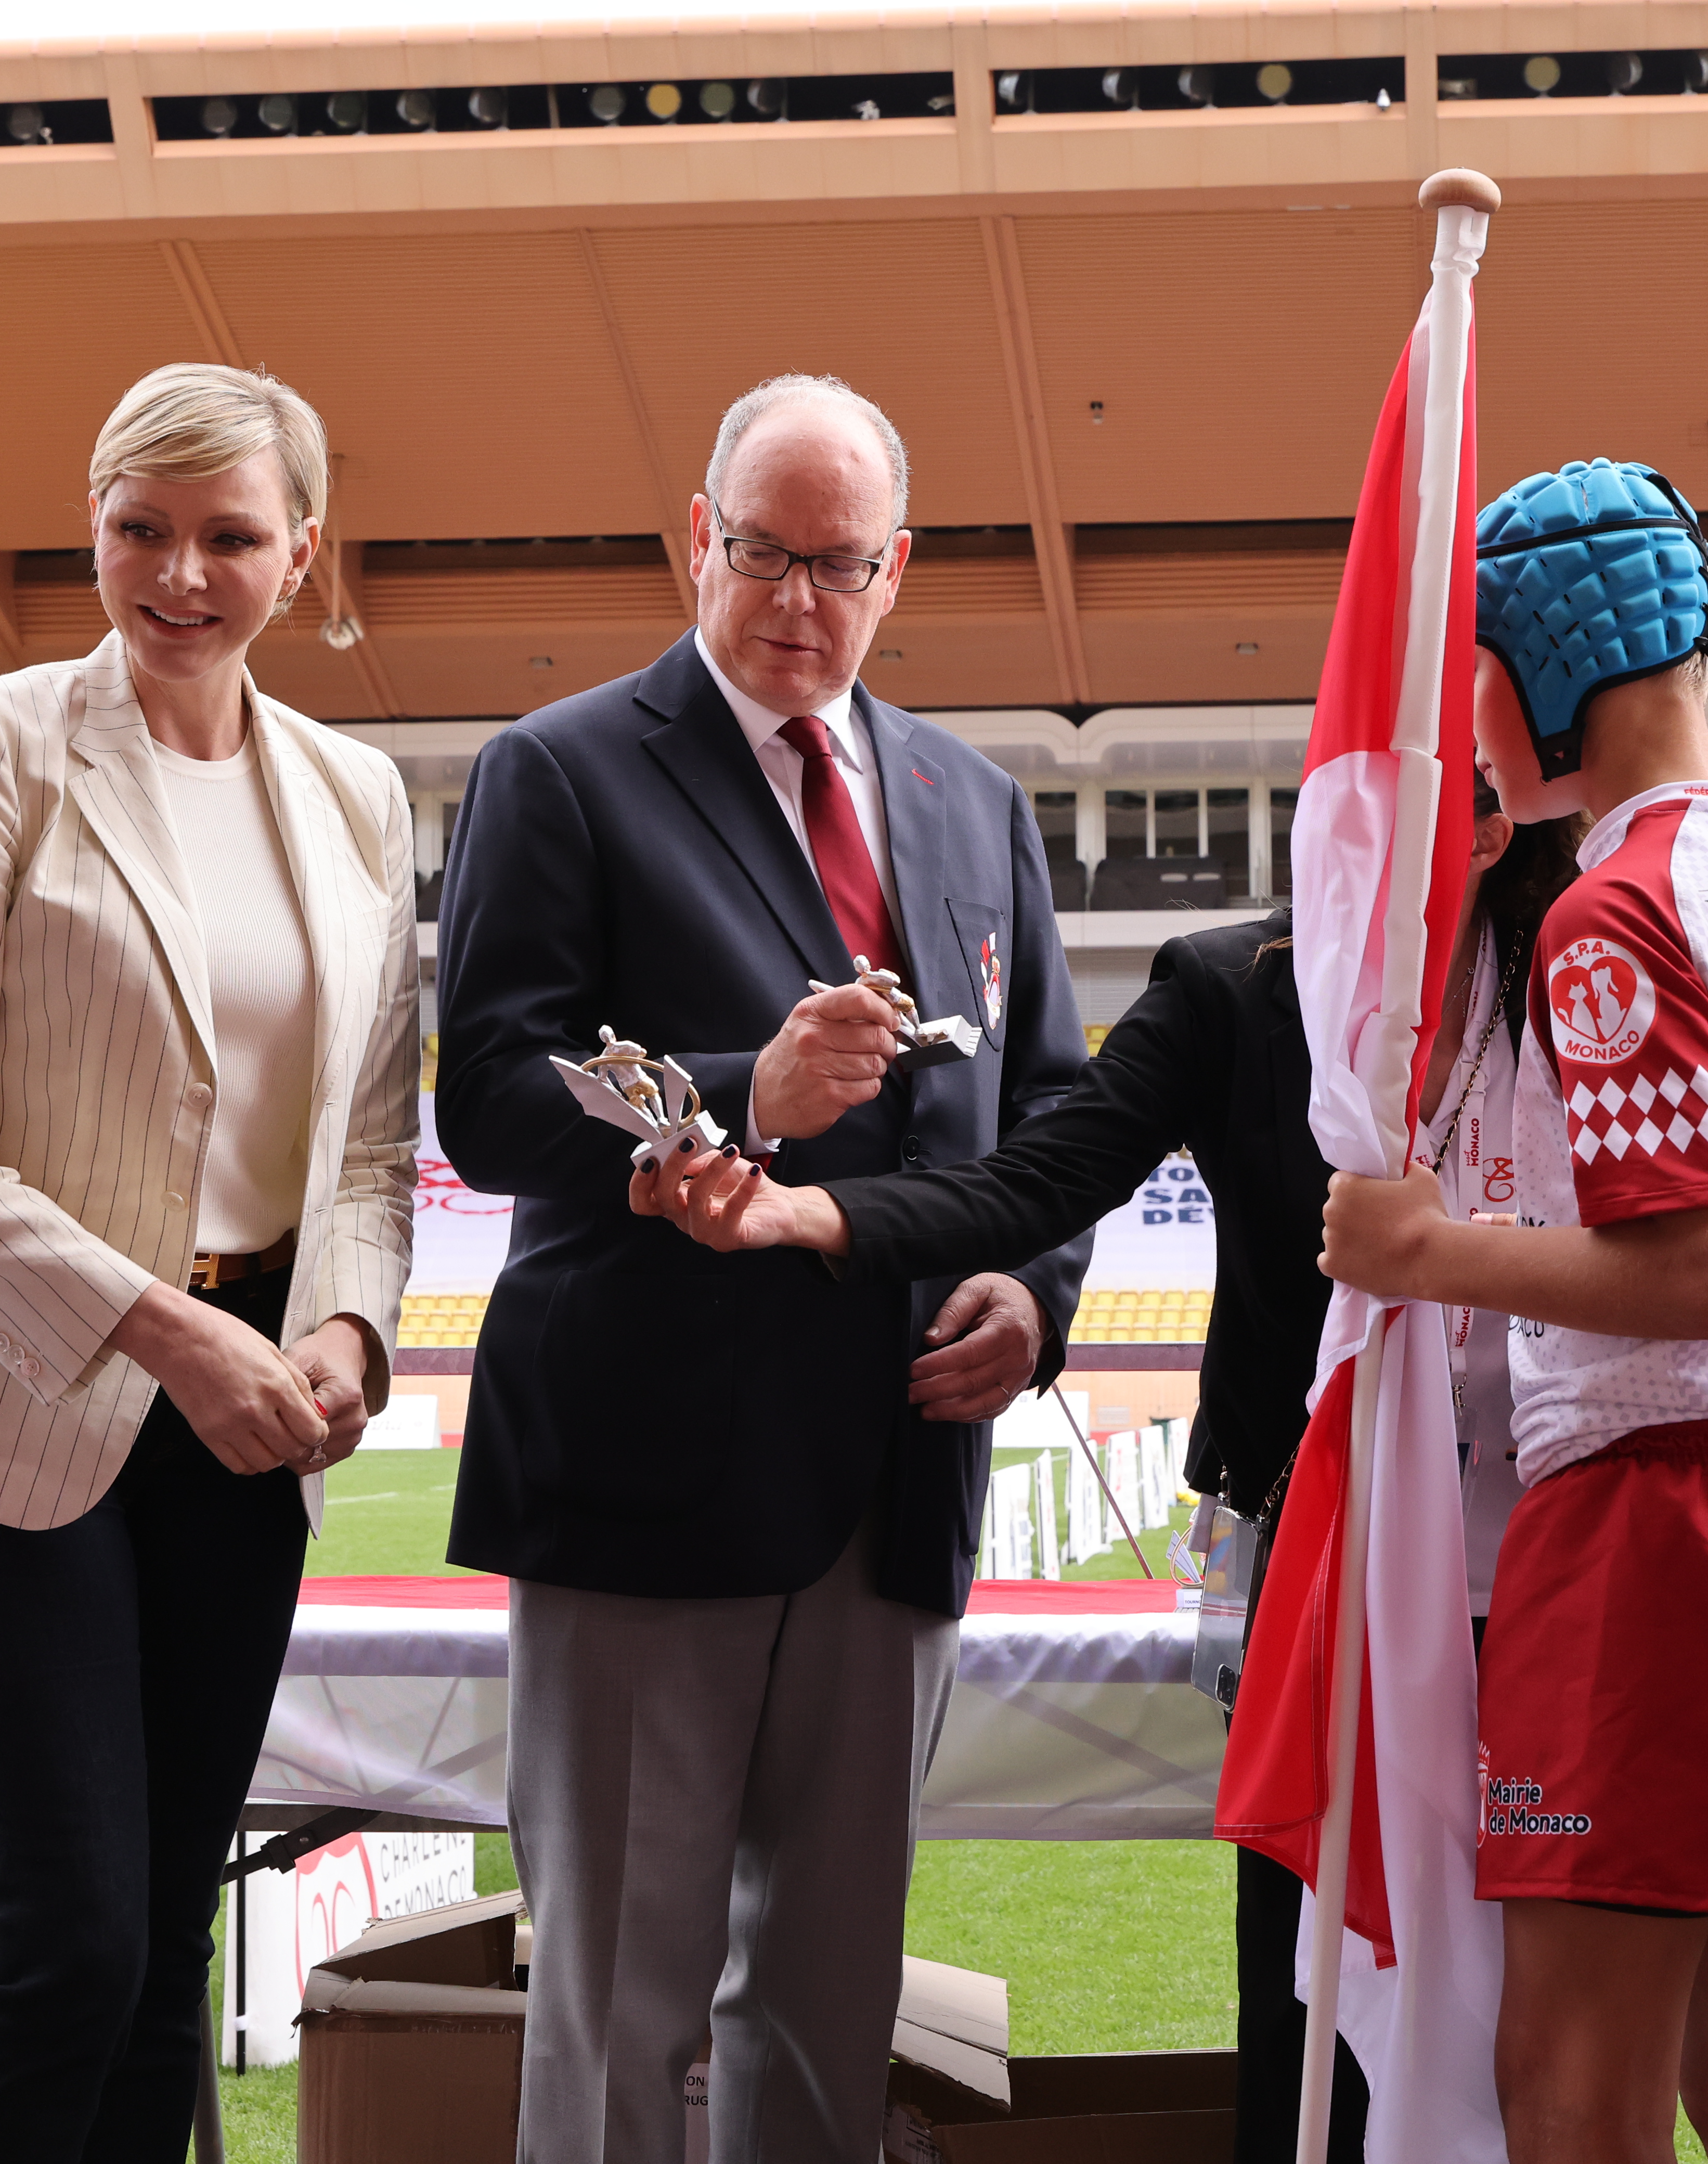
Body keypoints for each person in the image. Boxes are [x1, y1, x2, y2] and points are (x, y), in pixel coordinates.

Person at [633, 771, 1583, 2164]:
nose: (1350, 824)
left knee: (1563, 2010)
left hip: (1570, 1549)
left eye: (1401, 790)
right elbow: (1035, 1180)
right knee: (1315, 1994)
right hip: (1322, 1559)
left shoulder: (1592, 974)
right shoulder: (1232, 988)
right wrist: (804, 1214)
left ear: (1494, 826)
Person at [437, 373, 1090, 2164]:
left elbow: (1055, 1104)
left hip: (900, 1473)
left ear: (899, 570)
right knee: (618, 2012)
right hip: (647, 1478)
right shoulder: (561, 769)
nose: (800, 601)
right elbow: (489, 1094)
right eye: (763, 555)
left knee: (826, 2012)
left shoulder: (974, 799)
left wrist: (1036, 1296)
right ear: (696, 543)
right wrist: (742, 1094)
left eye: (839, 564)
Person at [0, 364, 418, 2158]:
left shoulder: (359, 795)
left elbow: (370, 1143)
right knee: (74, 1948)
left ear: (301, 552)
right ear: (93, 529)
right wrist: (169, 1332)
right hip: (24, 1394)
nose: (180, 573)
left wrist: (350, 1330)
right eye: (140, 529)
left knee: (165, 1960)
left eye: (230, 535)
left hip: (255, 1408)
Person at [1319, 459, 1708, 2164]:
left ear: (1533, 677)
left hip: (1665, 1526)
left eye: (1473, 684)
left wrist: (1427, 1253)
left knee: (1573, 2086)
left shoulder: (1615, 910)